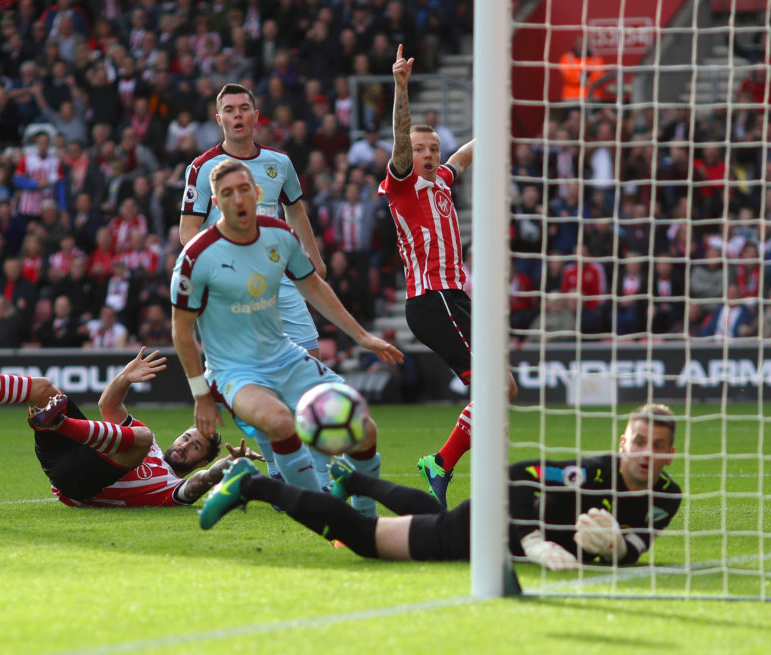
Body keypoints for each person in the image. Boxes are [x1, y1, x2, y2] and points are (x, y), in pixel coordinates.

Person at [172, 159, 403, 515]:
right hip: (234, 372)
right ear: (216, 203)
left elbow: (313, 286)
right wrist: (201, 394)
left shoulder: (280, 235)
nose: (238, 199)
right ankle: (321, 511)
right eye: (228, 193)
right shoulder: (196, 257)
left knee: (363, 428)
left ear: (257, 193)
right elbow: (181, 330)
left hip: (284, 355)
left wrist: (361, 336)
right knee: (280, 422)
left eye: (244, 189)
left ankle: (363, 515)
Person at [201, 404, 681, 570]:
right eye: (639, 441)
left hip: (499, 537)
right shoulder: (593, 473)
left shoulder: (667, 496)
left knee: (435, 515)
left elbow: (635, 548)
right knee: (365, 540)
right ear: (623, 443)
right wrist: (533, 541)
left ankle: (354, 479)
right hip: (488, 530)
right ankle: (254, 484)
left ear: (671, 455)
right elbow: (517, 476)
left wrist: (616, 549)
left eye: (657, 446)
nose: (646, 453)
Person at [382, 45, 518, 508]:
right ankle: (454, 468)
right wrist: (401, 88)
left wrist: (499, 113)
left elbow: (464, 154)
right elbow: (401, 139)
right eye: (420, 149)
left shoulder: (441, 179)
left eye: (432, 149)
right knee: (492, 387)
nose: (427, 154)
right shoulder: (402, 183)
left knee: (506, 387)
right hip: (431, 299)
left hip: (454, 297)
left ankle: (441, 462)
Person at [178, 82, 331, 486]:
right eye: (229, 110)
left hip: (280, 277)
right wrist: (217, 269)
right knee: (253, 380)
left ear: (256, 116)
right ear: (219, 119)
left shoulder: (279, 162)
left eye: (244, 108)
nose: (237, 115)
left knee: (310, 363)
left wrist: (313, 259)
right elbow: (188, 230)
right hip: (232, 286)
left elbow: (295, 211)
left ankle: (316, 469)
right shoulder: (203, 167)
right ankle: (280, 470)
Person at [0, 342, 263, 507]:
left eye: (195, 447)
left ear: (202, 461)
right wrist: (124, 378)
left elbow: (198, 485)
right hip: (67, 456)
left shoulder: (171, 489)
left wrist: (223, 467)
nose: (184, 445)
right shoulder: (150, 445)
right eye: (186, 437)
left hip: (81, 484)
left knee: (141, 436)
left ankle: (58, 421)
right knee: (43, 389)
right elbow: (107, 405)